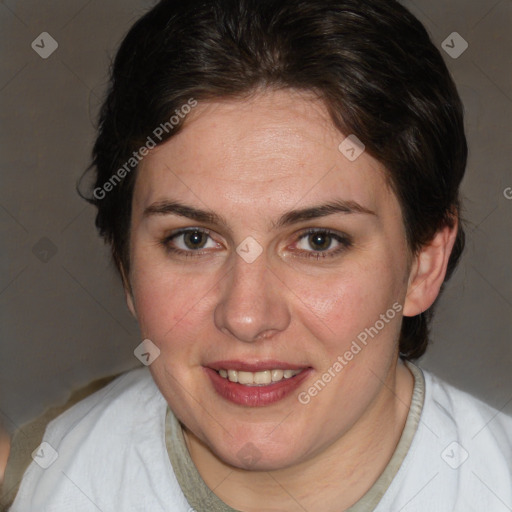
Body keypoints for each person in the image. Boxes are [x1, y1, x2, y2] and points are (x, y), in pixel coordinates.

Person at [8, 0, 512, 510]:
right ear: (125, 263)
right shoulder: (44, 477)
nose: (247, 316)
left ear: (423, 262)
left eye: (319, 240)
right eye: (193, 239)